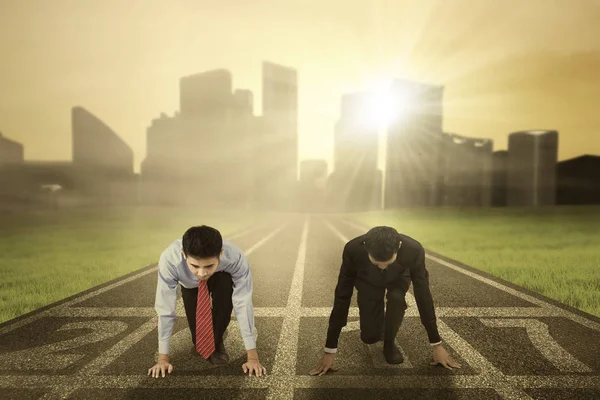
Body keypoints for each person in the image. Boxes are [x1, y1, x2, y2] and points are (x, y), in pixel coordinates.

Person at [310, 226, 461, 375]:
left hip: (398, 277)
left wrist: (436, 344)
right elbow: (342, 296)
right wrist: (330, 350)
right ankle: (377, 323)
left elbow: (423, 295)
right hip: (367, 279)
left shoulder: (414, 250)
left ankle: (389, 342)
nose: (382, 267)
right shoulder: (353, 250)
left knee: (396, 298)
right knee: (369, 337)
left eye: (387, 262)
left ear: (399, 247)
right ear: (365, 248)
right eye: (377, 263)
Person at [148, 225, 266, 378]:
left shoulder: (235, 257)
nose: (202, 273)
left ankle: (216, 342)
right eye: (195, 266)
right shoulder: (169, 260)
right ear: (184, 255)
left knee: (224, 283)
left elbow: (243, 303)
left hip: (221, 279)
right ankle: (206, 342)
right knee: (199, 341)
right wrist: (162, 359)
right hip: (189, 285)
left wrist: (252, 358)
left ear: (220, 254)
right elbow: (165, 309)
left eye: (209, 265)